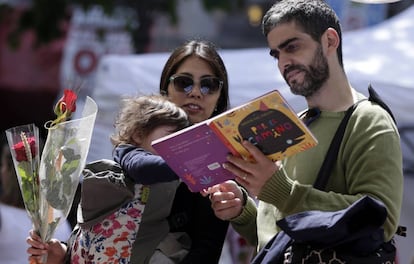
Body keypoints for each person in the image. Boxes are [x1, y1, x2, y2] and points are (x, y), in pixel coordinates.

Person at [206, 0, 403, 262]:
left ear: (330, 41)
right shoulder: (288, 125)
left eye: (292, 47)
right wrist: (241, 210)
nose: (284, 62)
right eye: (276, 54)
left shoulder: (368, 120)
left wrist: (280, 190)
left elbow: (381, 221)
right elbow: (279, 238)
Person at [27, 94, 191, 263]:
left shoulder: (168, 170)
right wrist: (187, 165)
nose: (177, 145)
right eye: (172, 136)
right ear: (138, 134)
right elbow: (143, 168)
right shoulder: (129, 154)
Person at [158, 39, 233, 263]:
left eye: (209, 85)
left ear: (220, 97)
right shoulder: (136, 143)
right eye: (184, 83)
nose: (196, 93)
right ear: (166, 89)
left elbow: (208, 248)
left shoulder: (227, 161)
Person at [0, 137, 72, 264]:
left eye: (3, 165)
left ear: (13, 171)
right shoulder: (60, 219)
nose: (2, 171)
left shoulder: (3, 214)